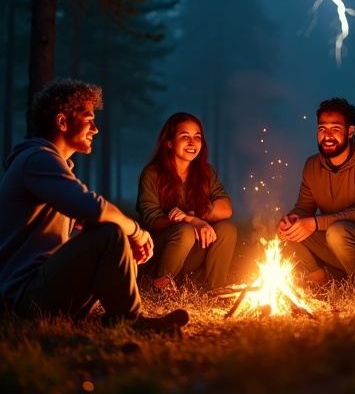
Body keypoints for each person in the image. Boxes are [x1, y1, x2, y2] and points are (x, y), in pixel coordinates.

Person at [0, 78, 188, 332]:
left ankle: (120, 316)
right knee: (109, 232)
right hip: (23, 298)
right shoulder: (36, 159)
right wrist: (137, 231)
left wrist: (119, 253)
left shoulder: (51, 165)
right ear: (62, 121)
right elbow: (95, 208)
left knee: (111, 234)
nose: (95, 129)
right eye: (89, 119)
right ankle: (130, 321)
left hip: (41, 290)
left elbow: (74, 231)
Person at [277, 97, 355, 283]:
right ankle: (322, 282)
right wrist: (292, 219)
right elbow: (304, 208)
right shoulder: (312, 165)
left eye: (335, 129)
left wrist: (314, 223)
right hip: (332, 243)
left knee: (337, 232)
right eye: (322, 129)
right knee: (292, 232)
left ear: (350, 132)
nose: (327, 135)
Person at [136, 112, 237, 291]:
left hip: (190, 253)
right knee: (185, 231)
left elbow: (226, 208)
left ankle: (214, 290)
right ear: (169, 142)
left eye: (197, 137)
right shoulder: (152, 175)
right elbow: (151, 219)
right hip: (159, 251)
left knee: (226, 229)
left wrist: (193, 216)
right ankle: (160, 286)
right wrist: (187, 221)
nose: (192, 142)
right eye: (185, 137)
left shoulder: (205, 172)